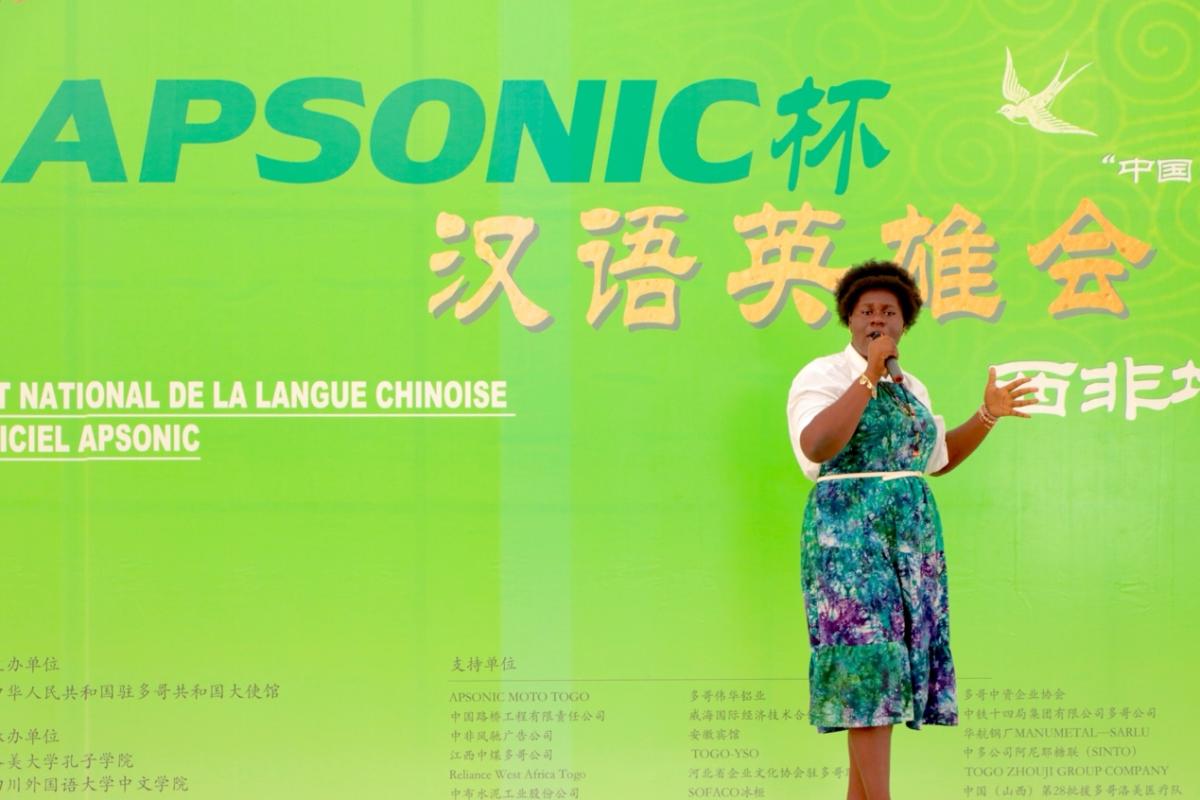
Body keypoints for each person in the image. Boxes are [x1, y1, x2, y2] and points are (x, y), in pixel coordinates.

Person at [785, 260, 1036, 800]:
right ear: (849, 319)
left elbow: (936, 459)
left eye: (889, 312)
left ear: (904, 324)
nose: (877, 319)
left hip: (909, 542)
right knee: (868, 670)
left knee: (889, 674)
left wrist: (987, 415)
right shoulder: (822, 375)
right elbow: (817, 445)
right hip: (847, 542)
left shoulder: (911, 385)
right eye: (866, 311)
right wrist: (867, 376)